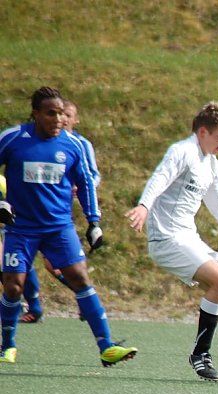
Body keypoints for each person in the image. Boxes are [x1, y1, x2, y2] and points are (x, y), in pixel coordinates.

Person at [126, 101, 218, 385]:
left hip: (189, 237)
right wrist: (143, 205)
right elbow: (160, 178)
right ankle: (200, 353)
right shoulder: (182, 151)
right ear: (203, 132)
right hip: (166, 237)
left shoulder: (211, 163)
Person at [0, 86, 137, 366]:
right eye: (51, 113)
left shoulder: (72, 145)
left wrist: (93, 222)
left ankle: (106, 347)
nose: (58, 119)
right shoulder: (13, 138)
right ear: (36, 114)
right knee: (13, 287)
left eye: (62, 114)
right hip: (20, 228)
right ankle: (7, 346)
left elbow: (86, 183)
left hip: (58, 227)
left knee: (80, 278)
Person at [19, 99, 101, 323]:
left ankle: (82, 299)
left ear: (75, 119)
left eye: (67, 115)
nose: (62, 119)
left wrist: (80, 190)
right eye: (58, 114)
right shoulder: (41, 141)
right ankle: (36, 307)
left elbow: (92, 176)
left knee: (57, 265)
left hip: (66, 211)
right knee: (39, 263)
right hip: (39, 209)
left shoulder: (79, 144)